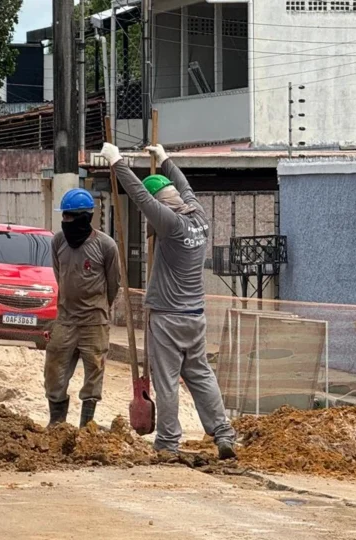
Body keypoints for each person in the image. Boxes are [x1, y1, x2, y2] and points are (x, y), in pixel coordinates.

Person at [99, 142, 236, 460]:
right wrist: (165, 160)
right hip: (195, 316)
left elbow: (141, 198)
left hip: (167, 317)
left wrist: (118, 162)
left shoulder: (171, 225)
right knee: (200, 373)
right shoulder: (198, 215)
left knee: (167, 380)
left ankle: (168, 443)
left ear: (162, 205)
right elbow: (185, 186)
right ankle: (223, 432)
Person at [44, 188, 120, 427]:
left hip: (94, 322)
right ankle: (57, 422)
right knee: (54, 370)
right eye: (63, 216)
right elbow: (60, 275)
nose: (65, 221)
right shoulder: (58, 241)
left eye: (70, 216)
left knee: (94, 371)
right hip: (65, 320)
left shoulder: (106, 246)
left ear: (84, 218)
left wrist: (99, 309)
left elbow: (113, 283)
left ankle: (86, 426)